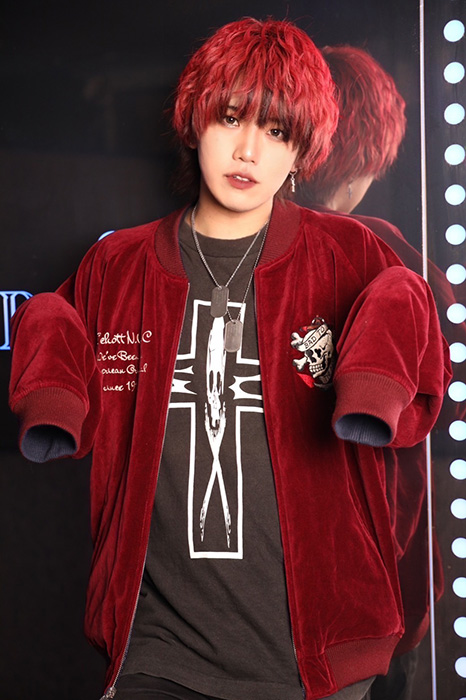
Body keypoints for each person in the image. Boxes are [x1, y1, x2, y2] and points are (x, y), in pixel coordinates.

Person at [8, 19, 451, 700]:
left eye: (276, 131)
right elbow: (54, 326)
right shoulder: (119, 264)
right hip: (158, 648)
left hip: (319, 657)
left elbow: (410, 319)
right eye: (232, 118)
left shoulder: (351, 254)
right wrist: (54, 406)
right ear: (195, 120)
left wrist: (372, 390)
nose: (248, 150)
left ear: (303, 150)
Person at [297, 45, 464, 700]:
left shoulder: (228, 247)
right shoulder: (391, 255)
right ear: (368, 151)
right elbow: (452, 395)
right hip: (370, 589)